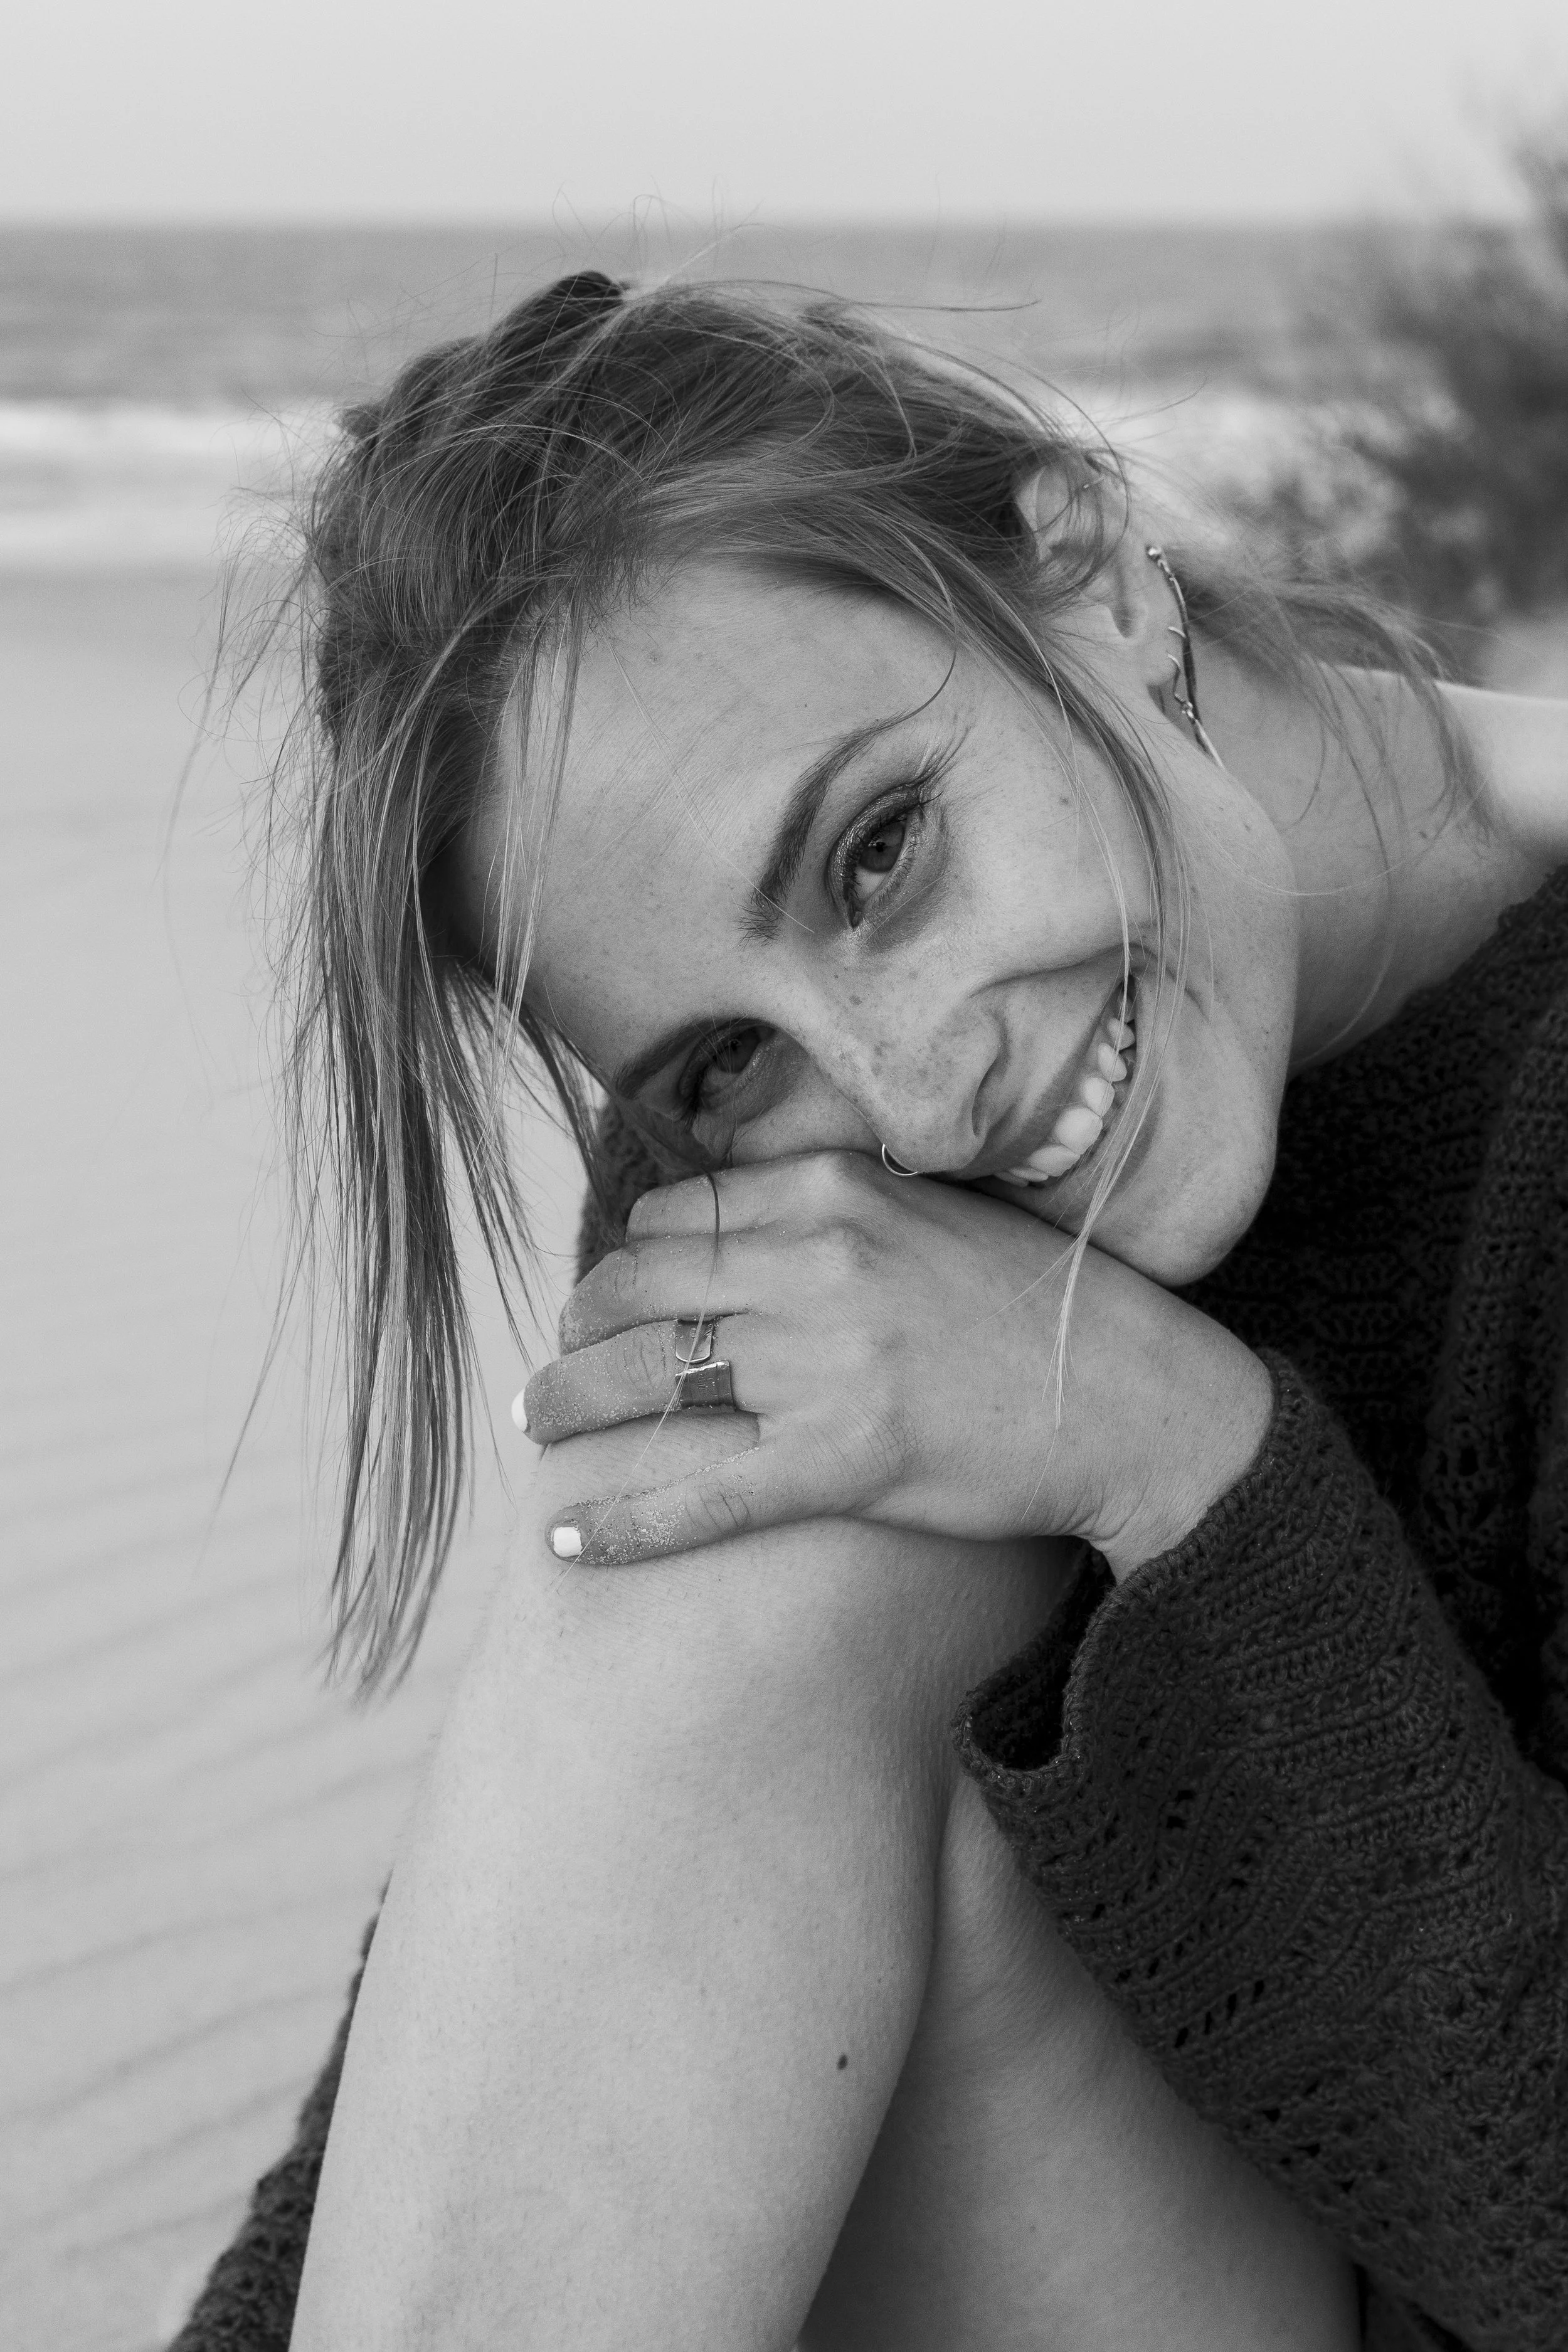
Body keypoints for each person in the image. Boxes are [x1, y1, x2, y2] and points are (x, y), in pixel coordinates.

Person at [172, 270, 1568, 2351]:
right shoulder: (795, 1169)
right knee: (755, 1510)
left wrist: (1173, 1457)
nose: (916, 1099)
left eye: (880, 852)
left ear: (1091, 575)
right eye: (724, 1057)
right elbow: (560, 1931)